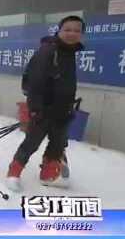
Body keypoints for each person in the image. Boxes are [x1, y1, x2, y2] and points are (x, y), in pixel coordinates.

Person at [6, 15, 85, 191]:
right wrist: (35, 109)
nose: (72, 33)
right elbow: (35, 81)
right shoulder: (48, 50)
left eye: (77, 30)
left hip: (63, 110)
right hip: (43, 109)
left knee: (57, 143)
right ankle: (13, 172)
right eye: (68, 29)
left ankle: (48, 174)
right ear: (59, 30)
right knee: (32, 142)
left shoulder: (69, 52)